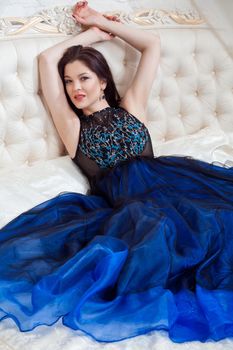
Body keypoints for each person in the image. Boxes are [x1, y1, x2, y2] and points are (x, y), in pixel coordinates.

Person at [0, 0, 233, 344]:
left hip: (176, 183)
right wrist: (91, 35)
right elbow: (46, 59)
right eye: (68, 81)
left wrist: (98, 20)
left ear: (103, 80)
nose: (75, 88)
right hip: (131, 206)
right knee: (161, 235)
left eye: (84, 78)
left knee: (218, 217)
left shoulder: (132, 105)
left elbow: (151, 42)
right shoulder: (72, 127)